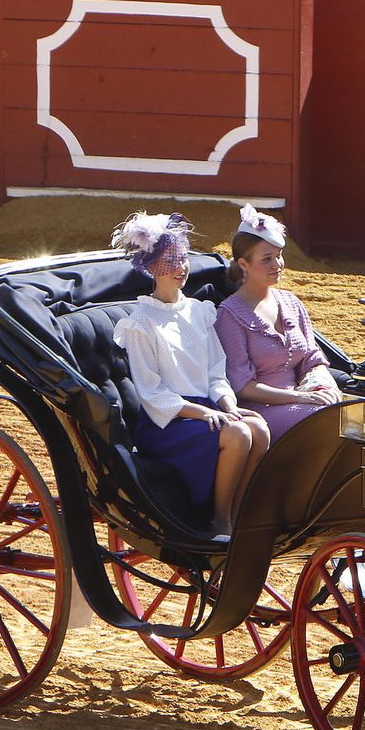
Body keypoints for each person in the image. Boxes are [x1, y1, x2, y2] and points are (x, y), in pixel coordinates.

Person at [110, 212, 270, 539]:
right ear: (151, 267)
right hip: (167, 421)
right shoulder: (140, 322)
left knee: (259, 429)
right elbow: (152, 392)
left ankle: (239, 515)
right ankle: (219, 521)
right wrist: (204, 412)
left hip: (208, 410)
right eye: (170, 261)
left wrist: (227, 405)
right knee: (238, 435)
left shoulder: (200, 311)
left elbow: (215, 371)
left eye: (182, 259)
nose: (180, 268)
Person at [213, 204, 342, 443]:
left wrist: (323, 386)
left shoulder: (290, 302)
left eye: (279, 256)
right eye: (267, 259)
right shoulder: (229, 315)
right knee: (326, 420)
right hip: (260, 412)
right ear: (244, 264)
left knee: (361, 416)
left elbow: (312, 358)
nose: (277, 265)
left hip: (302, 400)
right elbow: (242, 386)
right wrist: (299, 399)